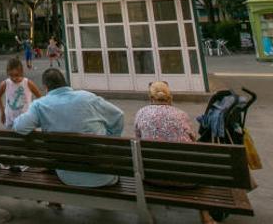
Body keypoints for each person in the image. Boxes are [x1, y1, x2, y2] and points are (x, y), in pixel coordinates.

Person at [13, 68, 124, 188]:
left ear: (45, 87)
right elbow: (118, 116)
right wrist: (109, 140)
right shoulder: (88, 98)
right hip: (105, 176)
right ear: (64, 82)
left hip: (67, 176)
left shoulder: (40, 105)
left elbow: (19, 127)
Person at [134, 81, 216, 224]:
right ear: (170, 97)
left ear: (150, 97)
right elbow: (193, 141)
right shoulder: (181, 115)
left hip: (152, 177)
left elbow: (138, 140)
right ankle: (205, 216)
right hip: (185, 179)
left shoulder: (141, 113)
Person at [0, 57, 42, 129]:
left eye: (16, 75)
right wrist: (2, 111)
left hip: (26, 121)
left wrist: (35, 111)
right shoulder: (5, 84)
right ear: (7, 73)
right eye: (11, 75)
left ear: (22, 72)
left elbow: (39, 97)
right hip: (10, 119)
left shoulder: (28, 83)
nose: (14, 78)